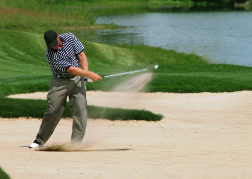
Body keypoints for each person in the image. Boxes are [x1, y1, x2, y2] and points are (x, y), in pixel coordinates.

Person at [29, 30, 102, 148]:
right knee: (53, 110)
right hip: (59, 83)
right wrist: (90, 75)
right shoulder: (50, 54)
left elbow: (81, 55)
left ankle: (76, 143)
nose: (54, 47)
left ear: (58, 37)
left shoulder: (70, 37)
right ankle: (39, 140)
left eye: (55, 43)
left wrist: (85, 73)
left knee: (81, 110)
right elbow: (71, 69)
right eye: (51, 45)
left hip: (77, 80)